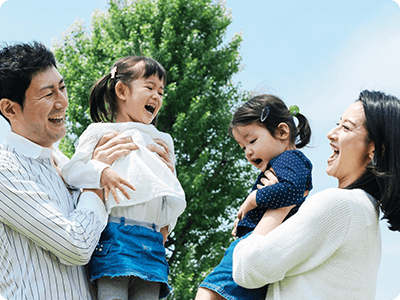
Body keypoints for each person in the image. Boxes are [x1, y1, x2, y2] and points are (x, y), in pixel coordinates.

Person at [0, 42, 172, 300]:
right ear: (10, 109)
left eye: (62, 88)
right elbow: (76, 246)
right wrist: (97, 174)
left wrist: (159, 186)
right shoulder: (6, 169)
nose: (62, 102)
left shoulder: (66, 163)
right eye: (48, 94)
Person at [232, 90, 400, 299]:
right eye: (337, 123)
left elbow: (246, 268)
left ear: (373, 150)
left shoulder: (340, 205)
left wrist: (279, 205)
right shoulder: (365, 211)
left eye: (346, 127)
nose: (331, 133)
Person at [61, 56, 186, 300]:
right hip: (113, 234)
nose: (157, 97)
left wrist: (164, 230)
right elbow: (72, 172)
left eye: (161, 92)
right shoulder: (100, 132)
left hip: (152, 239)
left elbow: (171, 192)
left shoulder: (163, 141)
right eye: (149, 87)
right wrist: (101, 171)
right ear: (121, 90)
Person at [196, 94, 313, 300]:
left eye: (252, 141)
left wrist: (252, 199)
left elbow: (291, 191)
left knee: (208, 292)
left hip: (259, 241)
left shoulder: (290, 158)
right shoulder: (283, 163)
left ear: (282, 131)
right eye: (243, 147)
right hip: (260, 240)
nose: (248, 152)